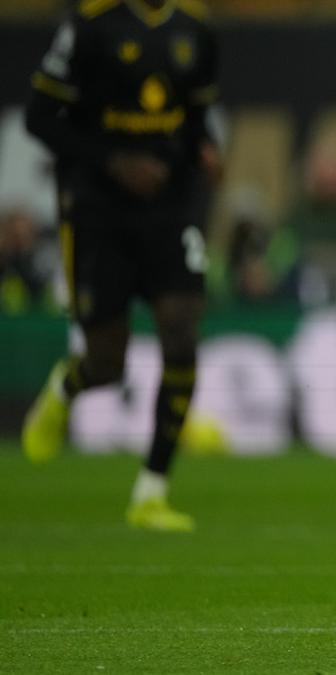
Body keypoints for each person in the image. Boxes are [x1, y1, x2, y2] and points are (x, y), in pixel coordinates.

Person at [21, 0, 221, 532]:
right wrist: (113, 161)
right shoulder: (91, 24)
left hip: (170, 206)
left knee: (181, 335)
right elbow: (38, 116)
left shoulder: (195, 30)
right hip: (99, 209)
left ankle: (151, 491)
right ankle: (67, 387)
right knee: (107, 362)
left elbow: (197, 120)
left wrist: (206, 152)